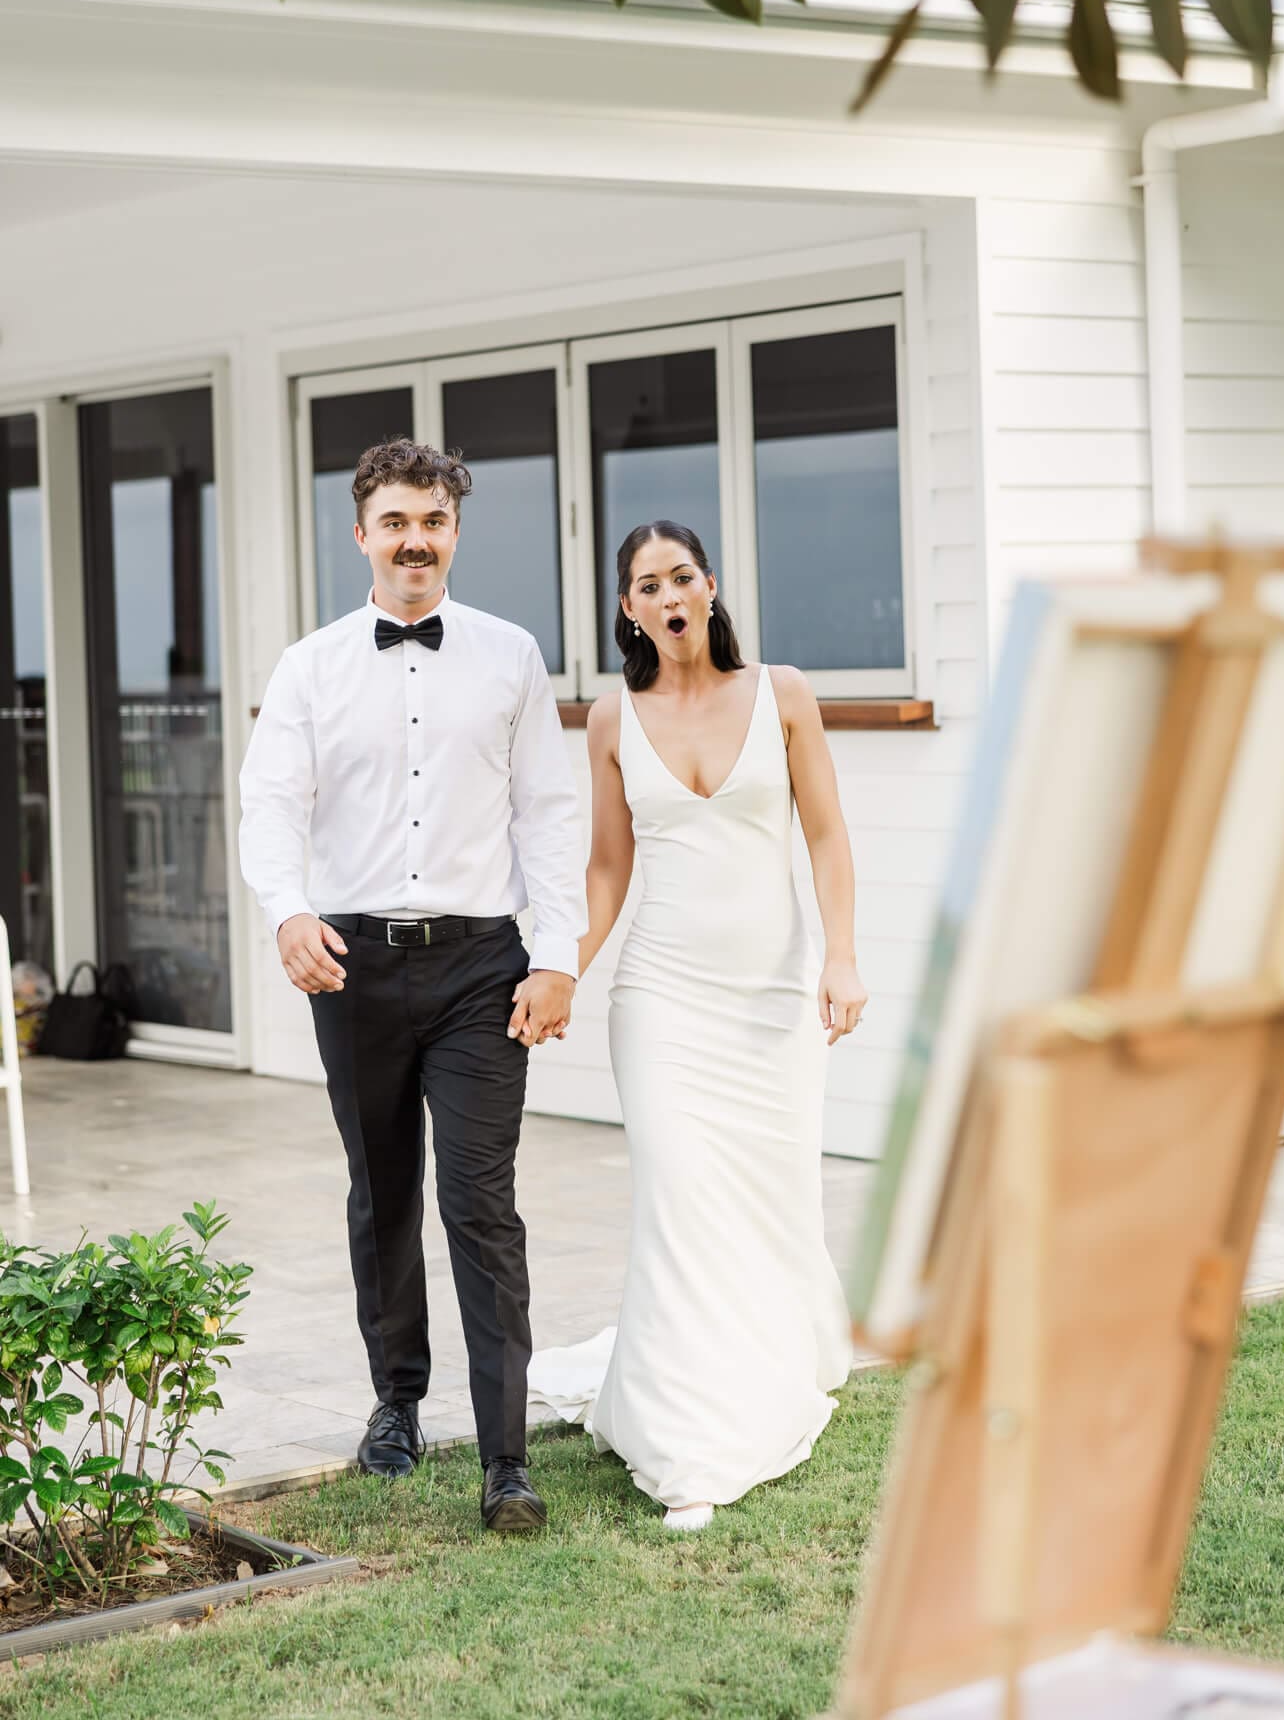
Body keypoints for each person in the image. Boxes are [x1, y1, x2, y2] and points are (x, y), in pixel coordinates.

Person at [238, 437, 585, 1533]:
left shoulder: (511, 655)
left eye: (432, 520)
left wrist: (558, 953)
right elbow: (271, 805)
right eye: (395, 521)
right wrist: (287, 909)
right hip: (353, 960)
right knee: (382, 1189)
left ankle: (506, 1457)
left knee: (481, 1202)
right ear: (361, 534)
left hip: (483, 964)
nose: (415, 540)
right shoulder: (309, 667)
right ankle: (396, 1403)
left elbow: (549, 812)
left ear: (455, 531)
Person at [529, 520, 864, 1531]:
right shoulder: (610, 718)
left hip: (770, 999)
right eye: (647, 585)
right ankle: (689, 1440)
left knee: (769, 1196)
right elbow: (607, 867)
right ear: (627, 609)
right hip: (662, 1001)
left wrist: (841, 956)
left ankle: (771, 1359)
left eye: (681, 576)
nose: (668, 596)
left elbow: (827, 834)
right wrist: (560, 970)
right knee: (680, 1200)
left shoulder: (783, 694)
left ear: (709, 587)